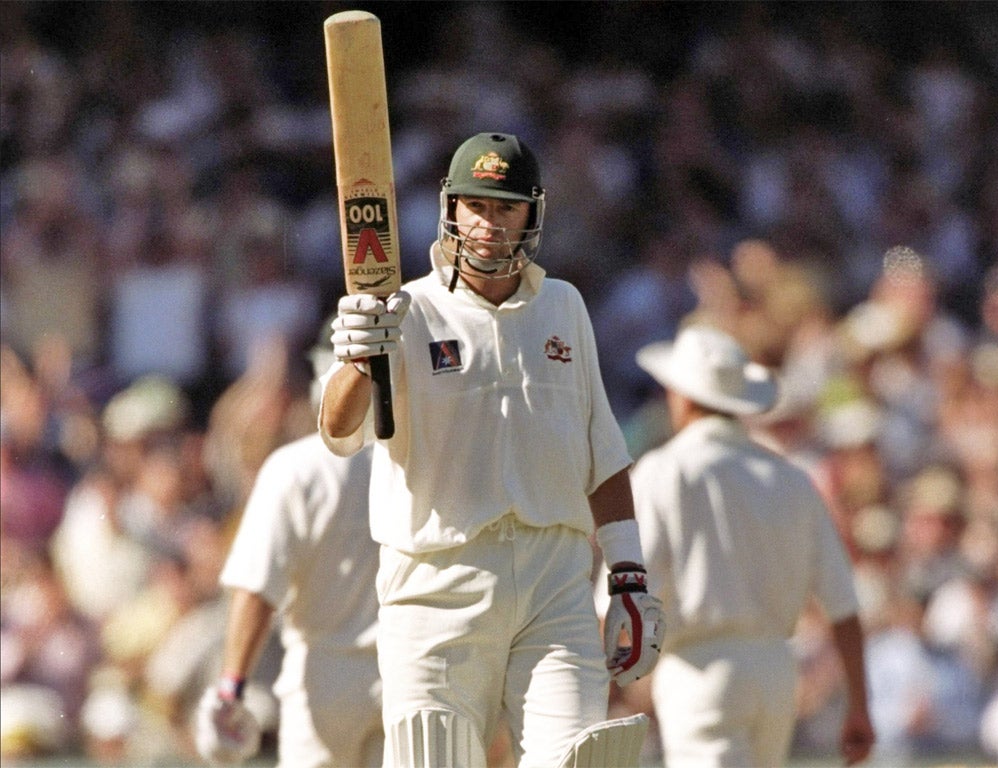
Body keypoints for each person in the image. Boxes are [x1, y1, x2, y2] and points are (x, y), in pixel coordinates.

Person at [319, 132, 664, 767]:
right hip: (436, 583)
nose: (487, 224)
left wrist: (628, 575)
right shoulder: (406, 309)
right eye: (475, 206)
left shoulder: (564, 306)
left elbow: (602, 452)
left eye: (505, 208)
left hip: (554, 583)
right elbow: (339, 434)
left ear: (533, 213)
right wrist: (357, 361)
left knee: (577, 759)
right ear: (451, 209)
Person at [629, 323, 875, 768]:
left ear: (681, 397)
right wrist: (859, 704)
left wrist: (610, 670)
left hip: (699, 670)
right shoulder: (791, 478)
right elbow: (843, 604)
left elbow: (630, 588)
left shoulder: (663, 470)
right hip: (776, 673)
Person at [193, 324, 382, 768]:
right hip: (413, 676)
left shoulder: (294, 468)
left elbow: (256, 588)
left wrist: (230, 689)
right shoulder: (421, 461)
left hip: (324, 682)